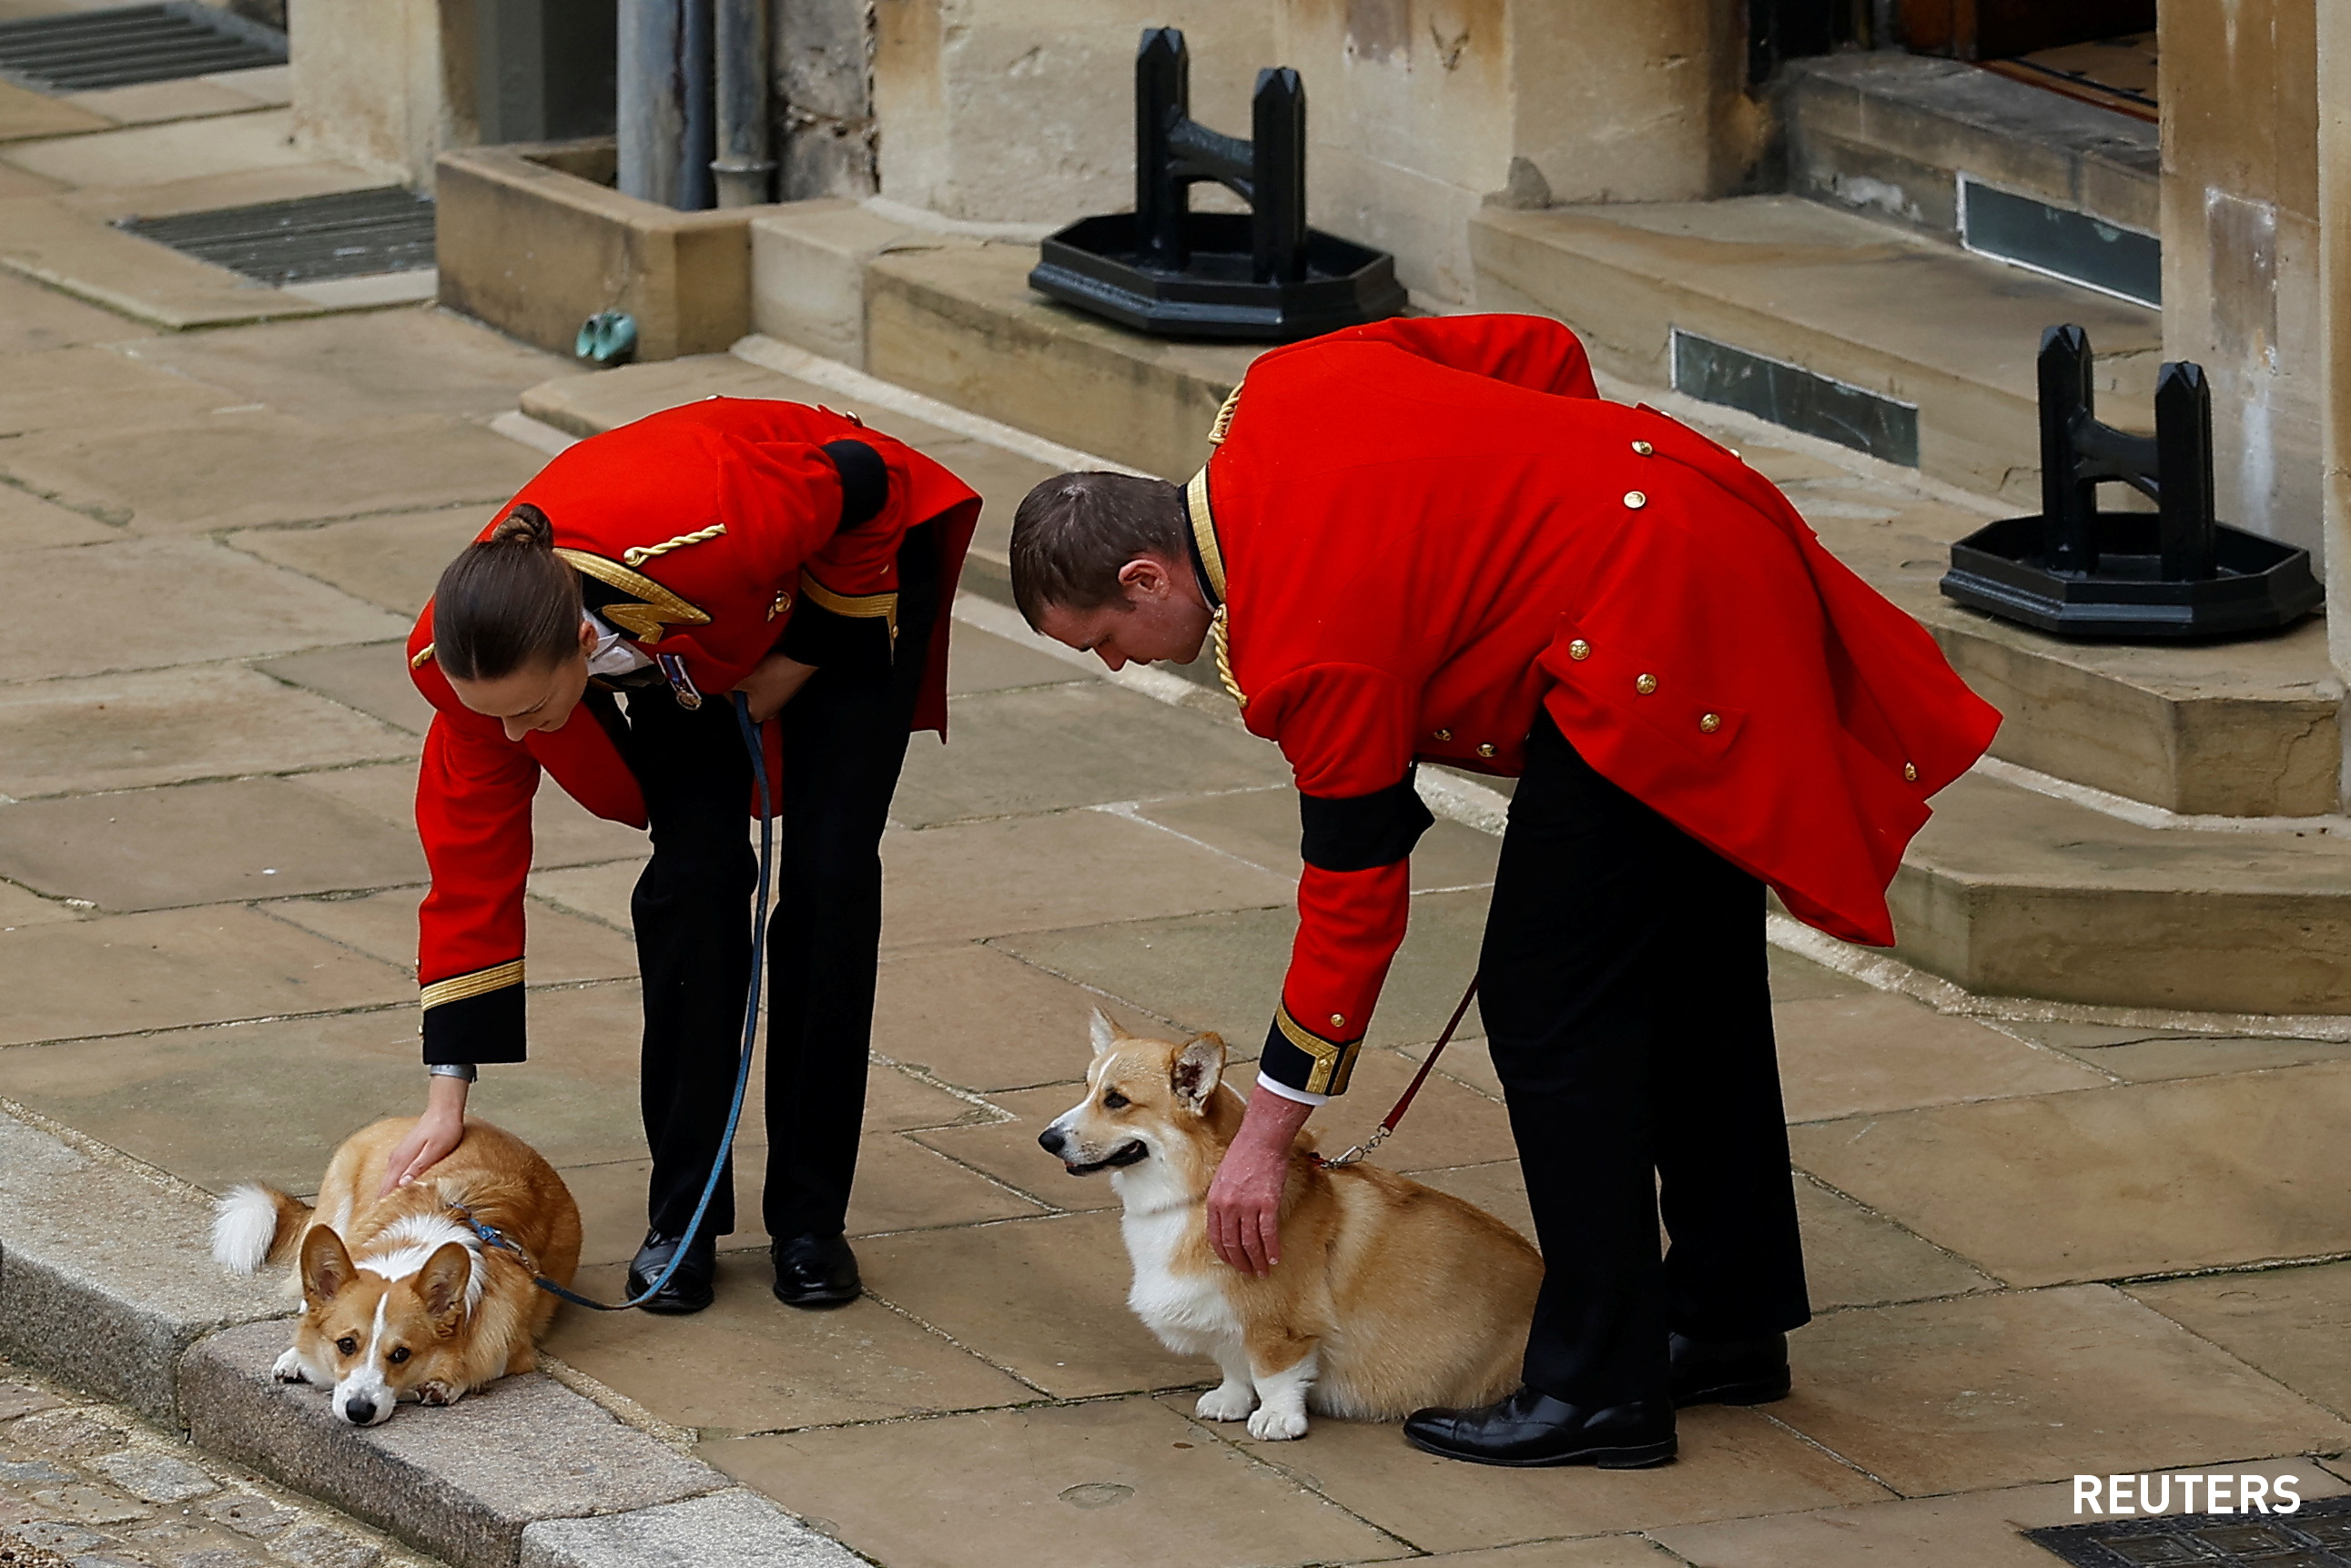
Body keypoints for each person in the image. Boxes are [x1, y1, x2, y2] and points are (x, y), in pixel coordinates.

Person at [1007, 314, 1999, 1467]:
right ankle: (1725, 1321)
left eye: (1111, 639)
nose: (1124, 663)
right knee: (1690, 977)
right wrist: (1556, 508)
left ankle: (1599, 1387)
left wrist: (1265, 1135)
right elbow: (1537, 352)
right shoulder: (1281, 388)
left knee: (1551, 1011)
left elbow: (1355, 899)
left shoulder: (1304, 644)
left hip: (1646, 644)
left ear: (1147, 573)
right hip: (1695, 529)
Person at [390, 397, 979, 1314]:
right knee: (693, 882)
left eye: (526, 709)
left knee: (828, 877)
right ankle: (684, 1220)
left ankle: (811, 1222)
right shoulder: (471, 660)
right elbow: (468, 868)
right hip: (690, 647)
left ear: (582, 644)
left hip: (838, 575)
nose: (507, 733)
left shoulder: (714, 522)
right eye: (491, 710)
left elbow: (869, 484)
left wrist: (802, 658)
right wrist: (446, 1095)